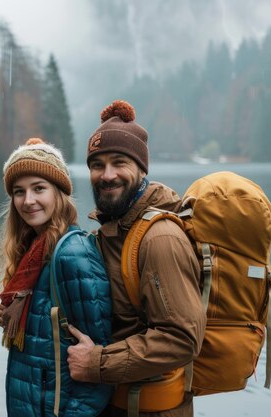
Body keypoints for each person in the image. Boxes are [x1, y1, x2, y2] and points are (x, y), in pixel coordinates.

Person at [66, 100, 207, 417]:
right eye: (97, 165)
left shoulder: (161, 238)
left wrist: (97, 364)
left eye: (119, 163)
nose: (107, 175)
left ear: (142, 169)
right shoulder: (113, 230)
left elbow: (182, 339)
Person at [0, 137, 113, 417]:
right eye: (19, 191)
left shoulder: (72, 253)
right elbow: (46, 335)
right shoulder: (31, 251)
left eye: (39, 188)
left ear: (59, 193)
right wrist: (7, 315)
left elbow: (98, 364)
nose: (28, 200)